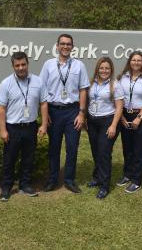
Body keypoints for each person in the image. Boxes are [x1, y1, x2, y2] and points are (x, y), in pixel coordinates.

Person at [39, 34, 89, 194]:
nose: (65, 47)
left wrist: (81, 113)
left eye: (68, 44)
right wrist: (45, 116)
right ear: (57, 46)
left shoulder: (79, 65)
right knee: (54, 148)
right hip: (54, 111)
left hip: (72, 111)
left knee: (72, 147)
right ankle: (52, 180)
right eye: (62, 44)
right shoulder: (48, 65)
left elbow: (83, 90)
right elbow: (42, 90)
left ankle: (69, 180)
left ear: (72, 47)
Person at [0, 51, 48, 202]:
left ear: (28, 64)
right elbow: (1, 108)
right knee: (9, 159)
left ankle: (25, 185)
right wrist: (3, 130)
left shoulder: (38, 81)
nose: (21, 68)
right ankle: (6, 188)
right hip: (12, 128)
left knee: (28, 158)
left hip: (31, 126)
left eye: (23, 64)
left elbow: (44, 103)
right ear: (13, 66)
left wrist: (44, 124)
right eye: (17, 65)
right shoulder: (6, 83)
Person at [116, 51, 142, 193]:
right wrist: (122, 117)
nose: (136, 62)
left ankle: (137, 180)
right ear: (129, 62)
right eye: (134, 60)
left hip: (141, 115)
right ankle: (127, 174)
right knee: (127, 148)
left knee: (138, 149)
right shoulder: (122, 77)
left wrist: (139, 118)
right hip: (125, 114)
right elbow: (118, 98)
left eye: (139, 60)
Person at [86, 57, 124, 199]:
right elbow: (88, 100)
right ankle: (97, 178)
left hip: (107, 121)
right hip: (92, 121)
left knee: (104, 153)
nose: (104, 71)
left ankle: (104, 185)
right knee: (96, 151)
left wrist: (114, 125)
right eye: (101, 68)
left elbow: (119, 107)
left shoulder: (115, 85)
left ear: (111, 70)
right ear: (97, 69)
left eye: (107, 68)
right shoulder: (91, 82)